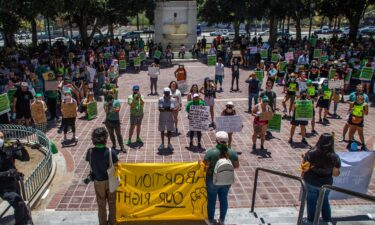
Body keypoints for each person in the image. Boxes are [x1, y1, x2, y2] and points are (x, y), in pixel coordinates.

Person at [301, 133, 341, 223]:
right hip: (326, 183)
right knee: (324, 201)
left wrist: (303, 158)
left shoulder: (310, 153)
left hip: (311, 181)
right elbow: (335, 173)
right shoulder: (334, 157)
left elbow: (305, 169)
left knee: (311, 201)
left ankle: (311, 221)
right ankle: (327, 219)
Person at [202, 131, 239, 225]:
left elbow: (205, 168)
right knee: (223, 199)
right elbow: (236, 166)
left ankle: (210, 220)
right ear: (227, 140)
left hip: (212, 180)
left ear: (216, 140)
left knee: (211, 200)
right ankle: (222, 220)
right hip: (226, 180)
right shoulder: (232, 152)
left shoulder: (210, 153)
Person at [85, 127, 118, 225]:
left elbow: (90, 163)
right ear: (106, 138)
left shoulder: (90, 152)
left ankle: (103, 223)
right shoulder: (111, 152)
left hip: (98, 182)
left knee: (101, 205)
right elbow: (116, 166)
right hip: (111, 181)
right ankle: (112, 222)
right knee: (112, 204)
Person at [0, 131, 33, 225]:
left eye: (2, 137)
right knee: (18, 202)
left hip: (14, 181)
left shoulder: (7, 148)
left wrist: (21, 148)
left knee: (20, 203)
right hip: (2, 186)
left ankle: (27, 220)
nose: (1, 140)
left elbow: (25, 158)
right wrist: (7, 173)